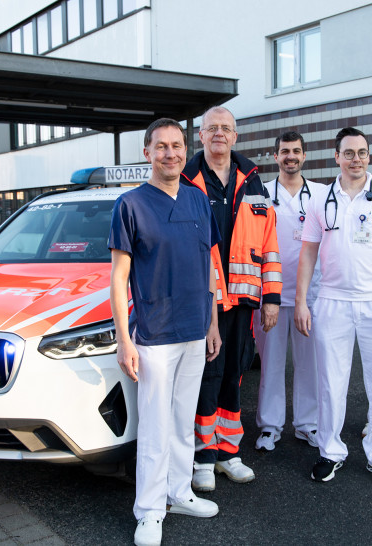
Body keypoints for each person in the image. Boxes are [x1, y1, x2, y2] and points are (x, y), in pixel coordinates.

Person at [109, 118, 222, 546]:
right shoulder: (131, 205)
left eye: (177, 146)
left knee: (181, 420)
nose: (171, 153)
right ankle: (150, 511)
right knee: (155, 425)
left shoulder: (197, 199)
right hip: (154, 333)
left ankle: (179, 491)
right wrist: (124, 339)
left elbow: (209, 266)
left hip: (195, 329)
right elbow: (119, 280)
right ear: (147, 153)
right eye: (161, 147)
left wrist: (211, 323)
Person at [295, 127, 372, 486]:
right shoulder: (320, 199)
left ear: (369, 156)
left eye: (362, 153)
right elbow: (307, 254)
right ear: (337, 157)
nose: (356, 159)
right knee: (331, 382)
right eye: (349, 153)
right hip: (331, 301)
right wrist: (302, 301)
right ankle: (330, 451)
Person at [181, 106, 282, 491]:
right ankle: (203, 456)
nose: (219, 134)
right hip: (202, 301)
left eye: (226, 128)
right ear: (202, 136)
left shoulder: (254, 183)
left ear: (235, 136)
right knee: (207, 374)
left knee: (235, 374)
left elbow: (270, 246)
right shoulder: (187, 181)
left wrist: (271, 299)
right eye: (212, 128)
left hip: (242, 303)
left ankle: (228, 452)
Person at [254, 131, 322, 452]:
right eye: (285, 151)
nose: (290, 156)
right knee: (271, 363)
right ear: (276, 156)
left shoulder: (321, 195)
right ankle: (270, 425)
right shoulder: (261, 194)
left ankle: (307, 424)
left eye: (296, 151)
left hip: (310, 296)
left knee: (310, 363)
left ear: (304, 156)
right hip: (270, 296)